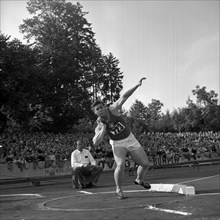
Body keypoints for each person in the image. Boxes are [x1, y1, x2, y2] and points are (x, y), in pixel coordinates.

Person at [92, 77, 151, 199]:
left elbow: (124, 96)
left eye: (101, 107)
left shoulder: (113, 109)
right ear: (95, 112)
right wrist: (103, 128)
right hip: (117, 143)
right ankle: (119, 190)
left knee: (145, 164)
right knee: (120, 164)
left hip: (130, 139)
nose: (100, 110)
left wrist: (137, 85)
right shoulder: (99, 124)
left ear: (104, 107)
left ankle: (139, 180)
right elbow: (95, 142)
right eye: (97, 109)